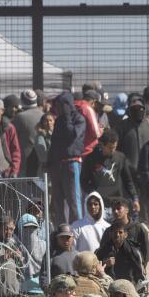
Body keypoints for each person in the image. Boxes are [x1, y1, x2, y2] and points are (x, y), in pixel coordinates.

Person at [48, 91, 87, 224]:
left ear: (68, 105)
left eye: (61, 105)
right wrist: (49, 163)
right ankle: (61, 232)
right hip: (57, 166)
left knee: (74, 202)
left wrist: (67, 117)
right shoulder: (59, 121)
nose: (58, 108)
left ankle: (77, 232)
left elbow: (72, 135)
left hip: (72, 164)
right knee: (58, 203)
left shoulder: (79, 119)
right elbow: (54, 144)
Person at [80, 128, 138, 208]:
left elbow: (128, 181)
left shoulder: (120, 158)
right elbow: (84, 182)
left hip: (117, 204)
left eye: (115, 147)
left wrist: (135, 198)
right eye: (110, 148)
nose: (113, 150)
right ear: (102, 145)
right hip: (99, 204)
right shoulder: (90, 159)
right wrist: (94, 193)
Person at [96, 221, 146, 288]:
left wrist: (142, 292)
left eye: (120, 232)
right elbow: (93, 269)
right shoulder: (102, 251)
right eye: (115, 232)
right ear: (110, 234)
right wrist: (105, 263)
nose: (117, 235)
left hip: (129, 288)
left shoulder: (134, 251)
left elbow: (141, 274)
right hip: (109, 288)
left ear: (126, 235)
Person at [40, 224, 78, 289]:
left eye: (68, 237)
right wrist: (48, 291)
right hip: (58, 294)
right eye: (62, 238)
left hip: (75, 294)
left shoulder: (77, 255)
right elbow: (44, 277)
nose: (65, 241)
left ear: (73, 238)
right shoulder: (51, 255)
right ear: (57, 238)